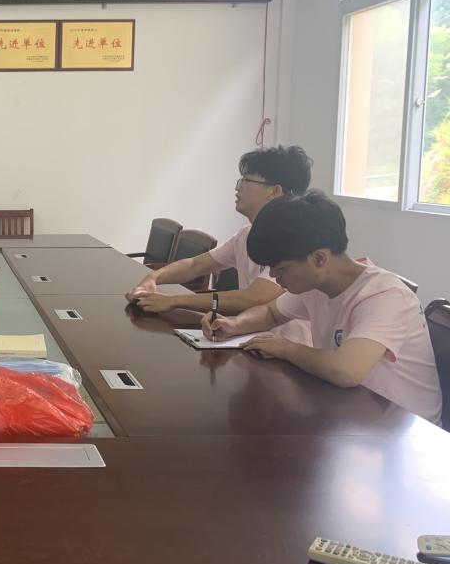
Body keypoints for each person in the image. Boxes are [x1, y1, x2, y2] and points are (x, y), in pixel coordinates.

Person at [202, 191, 441, 424]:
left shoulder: (384, 295)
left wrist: (285, 348)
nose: (273, 275)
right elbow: (271, 312)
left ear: (319, 258)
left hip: (403, 433)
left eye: (281, 268)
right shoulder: (316, 285)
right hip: (351, 414)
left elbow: (345, 371)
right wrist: (233, 324)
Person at [127, 145, 314, 317]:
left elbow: (253, 298)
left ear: (273, 191)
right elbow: (194, 265)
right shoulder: (246, 234)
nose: (237, 188)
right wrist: (153, 277)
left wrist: (175, 301)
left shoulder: (293, 243)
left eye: (246, 181)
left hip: (284, 342)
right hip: (247, 335)